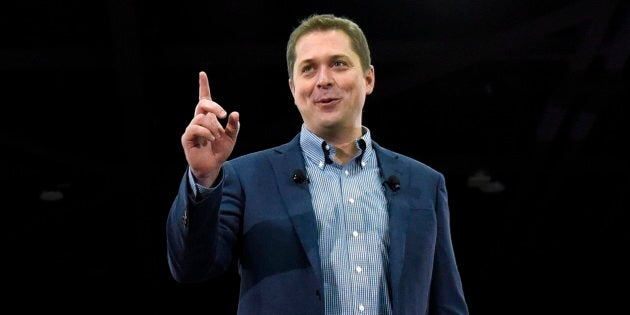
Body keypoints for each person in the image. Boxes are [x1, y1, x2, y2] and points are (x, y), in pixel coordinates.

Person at [166, 13, 469, 314]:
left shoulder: (425, 183)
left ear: (368, 78)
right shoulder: (245, 177)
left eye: (338, 63)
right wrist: (203, 178)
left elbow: (447, 302)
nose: (324, 80)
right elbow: (191, 267)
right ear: (293, 88)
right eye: (308, 69)